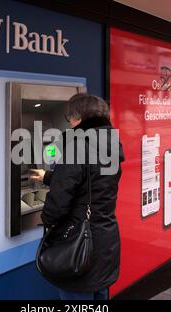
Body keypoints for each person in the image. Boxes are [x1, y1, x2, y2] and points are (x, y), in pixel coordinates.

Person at [30, 94, 125, 300]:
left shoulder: (79, 145)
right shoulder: (110, 143)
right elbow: (90, 181)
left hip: (78, 241)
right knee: (99, 294)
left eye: (70, 119)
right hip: (104, 237)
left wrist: (47, 221)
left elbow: (60, 198)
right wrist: (47, 176)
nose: (69, 124)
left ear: (80, 118)